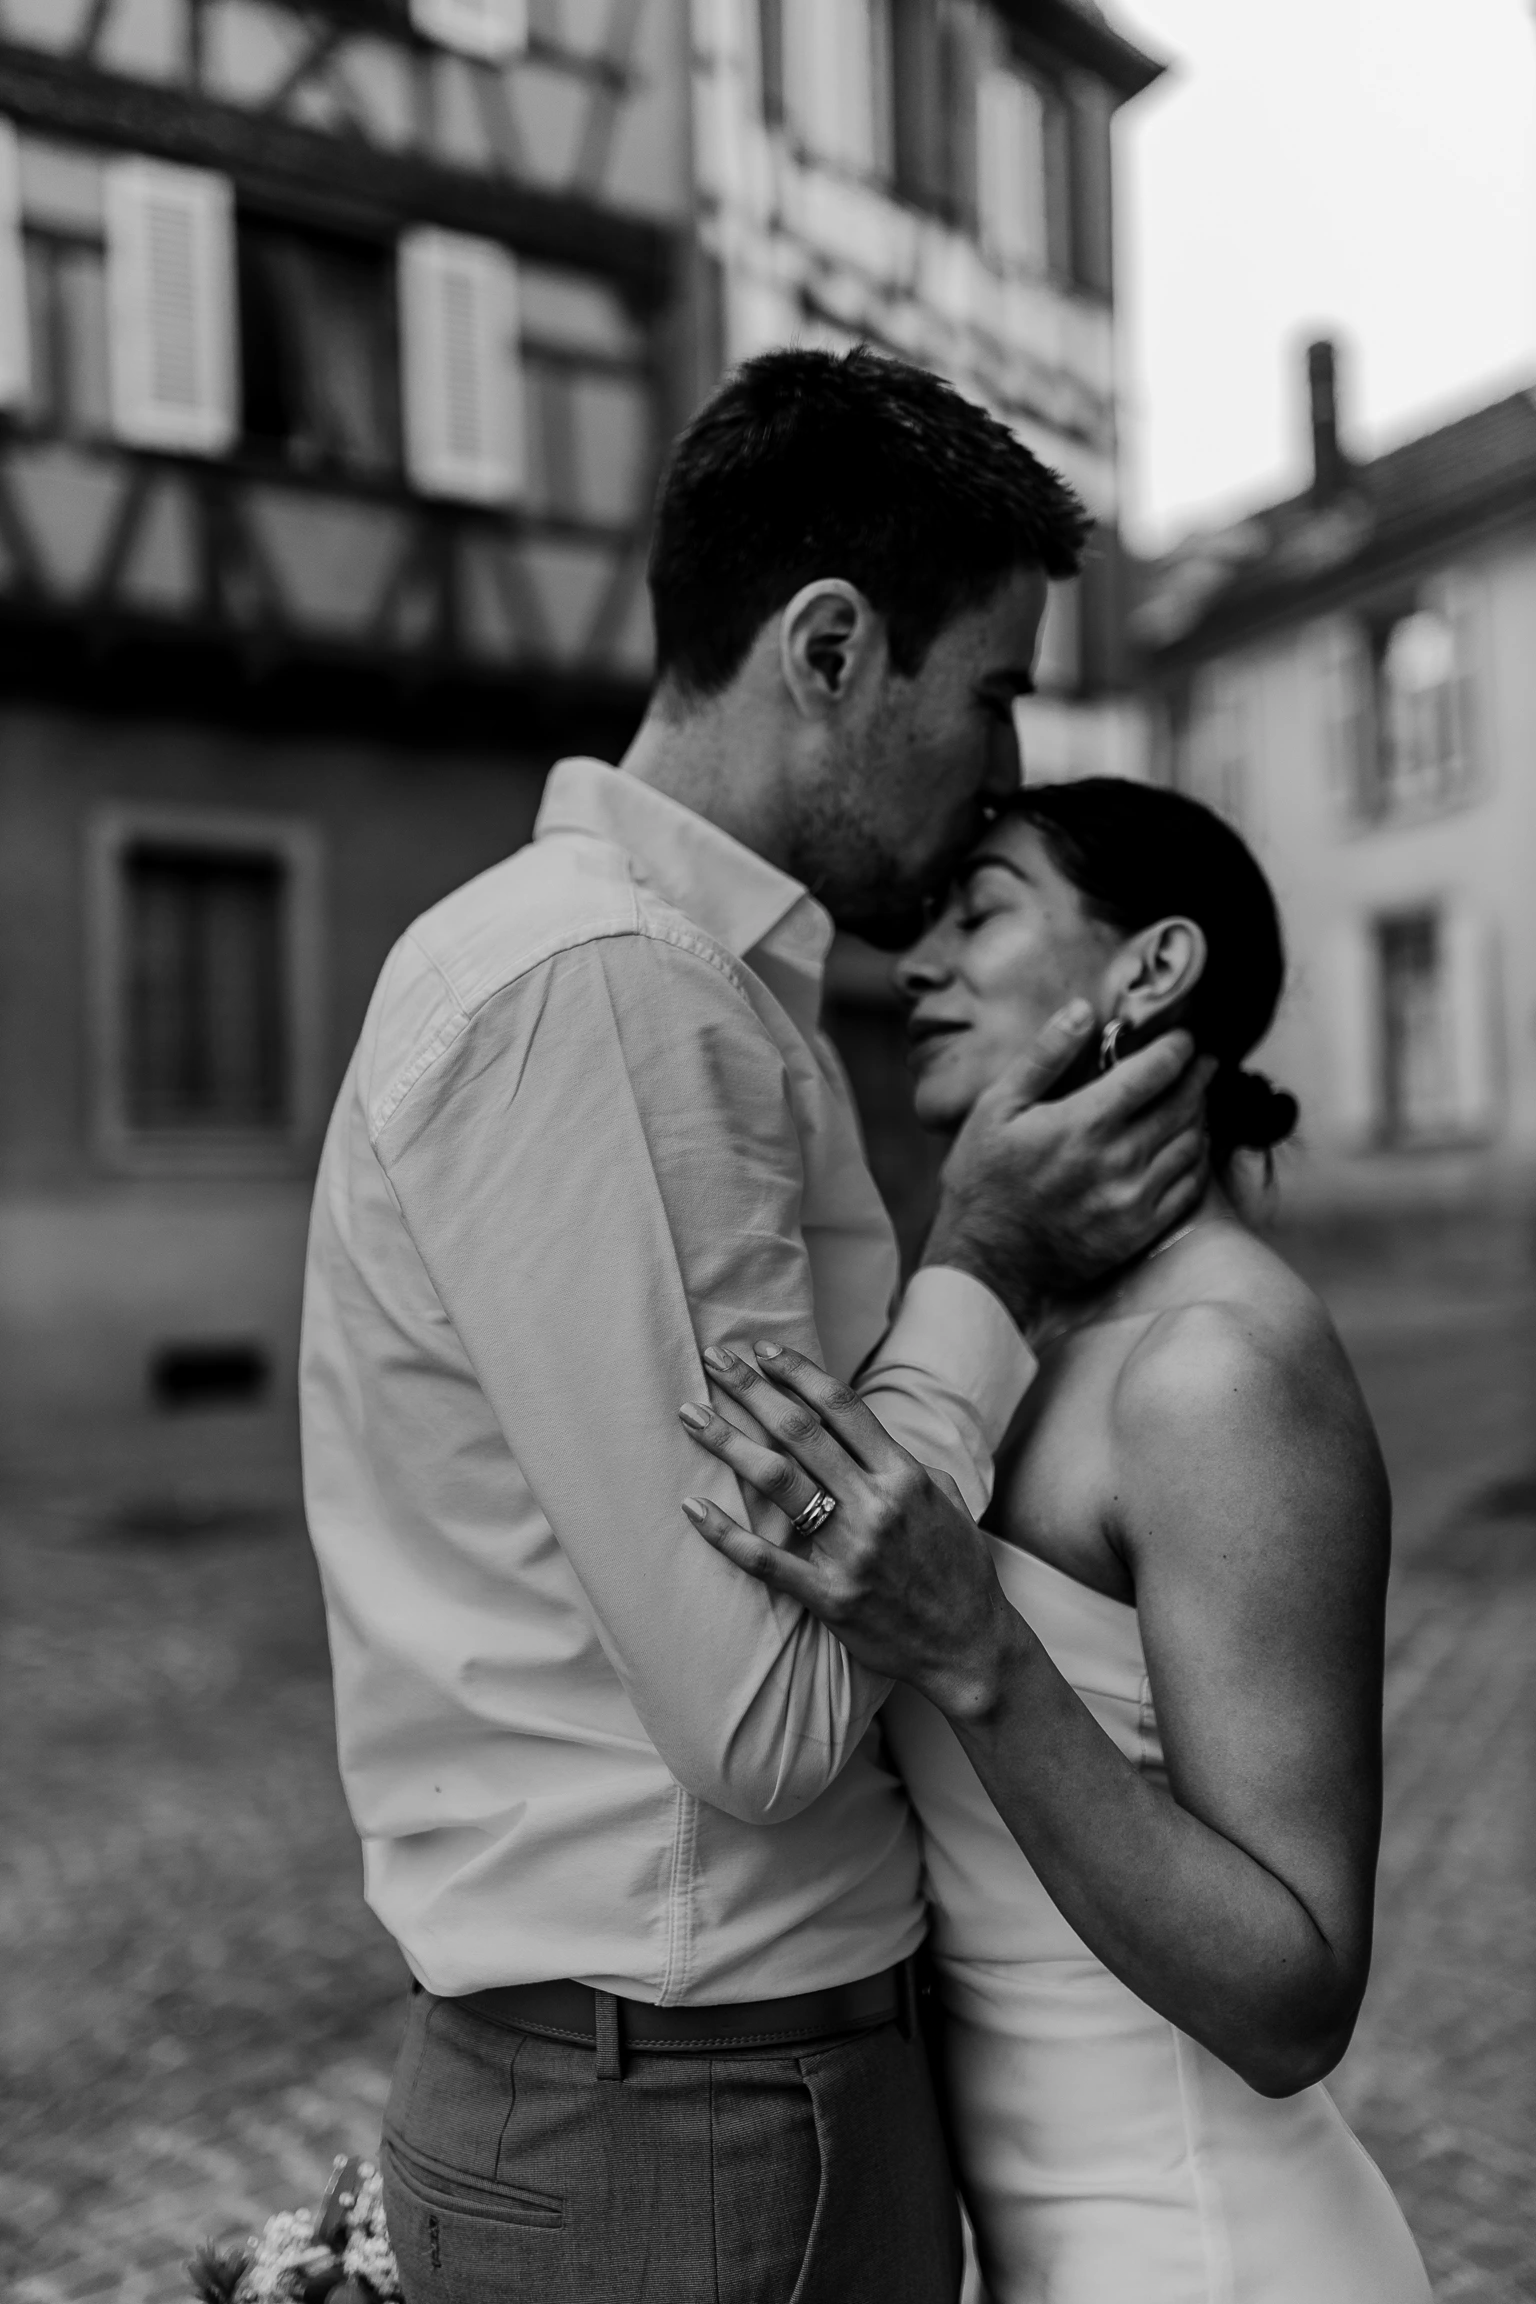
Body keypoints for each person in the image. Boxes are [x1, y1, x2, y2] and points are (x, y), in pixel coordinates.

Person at [299, 353, 1211, 2304]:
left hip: (697, 2100)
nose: (1002, 771)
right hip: (692, 2129)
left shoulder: (671, 982)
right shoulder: (612, 992)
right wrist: (985, 1262)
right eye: (993, 692)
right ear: (830, 650)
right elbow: (768, 1717)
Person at [676, 779, 1433, 2303]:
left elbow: (1293, 2000)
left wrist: (976, 1647)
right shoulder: (1004, 1341)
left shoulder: (1217, 1371)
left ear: (1152, 967)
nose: (919, 965)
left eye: (985, 911)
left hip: (1211, 2254)